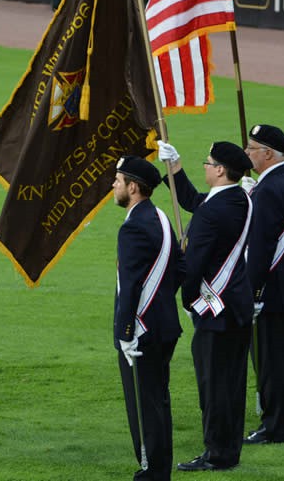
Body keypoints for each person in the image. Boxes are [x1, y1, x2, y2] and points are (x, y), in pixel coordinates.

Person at [157, 140, 255, 472]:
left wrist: (187, 301)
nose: (205, 166)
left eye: (208, 162)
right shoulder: (239, 197)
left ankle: (217, 454)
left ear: (220, 170)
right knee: (233, 383)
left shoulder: (214, 212)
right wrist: (176, 168)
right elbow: (196, 201)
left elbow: (193, 263)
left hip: (215, 310)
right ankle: (229, 449)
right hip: (238, 304)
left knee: (214, 387)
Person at [112, 155, 183, 481]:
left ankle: (153, 472)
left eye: (118, 180)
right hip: (164, 324)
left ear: (134, 187)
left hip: (143, 332)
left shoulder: (133, 229)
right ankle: (159, 468)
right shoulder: (160, 218)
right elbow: (180, 269)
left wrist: (125, 332)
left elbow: (129, 287)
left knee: (144, 404)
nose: (114, 186)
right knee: (158, 400)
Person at [241, 124, 284, 445]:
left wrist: (253, 291)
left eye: (251, 148)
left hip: (271, 291)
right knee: (281, 358)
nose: (246, 153)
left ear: (268, 153)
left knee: (271, 363)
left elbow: (261, 248)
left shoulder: (268, 190)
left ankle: (275, 427)